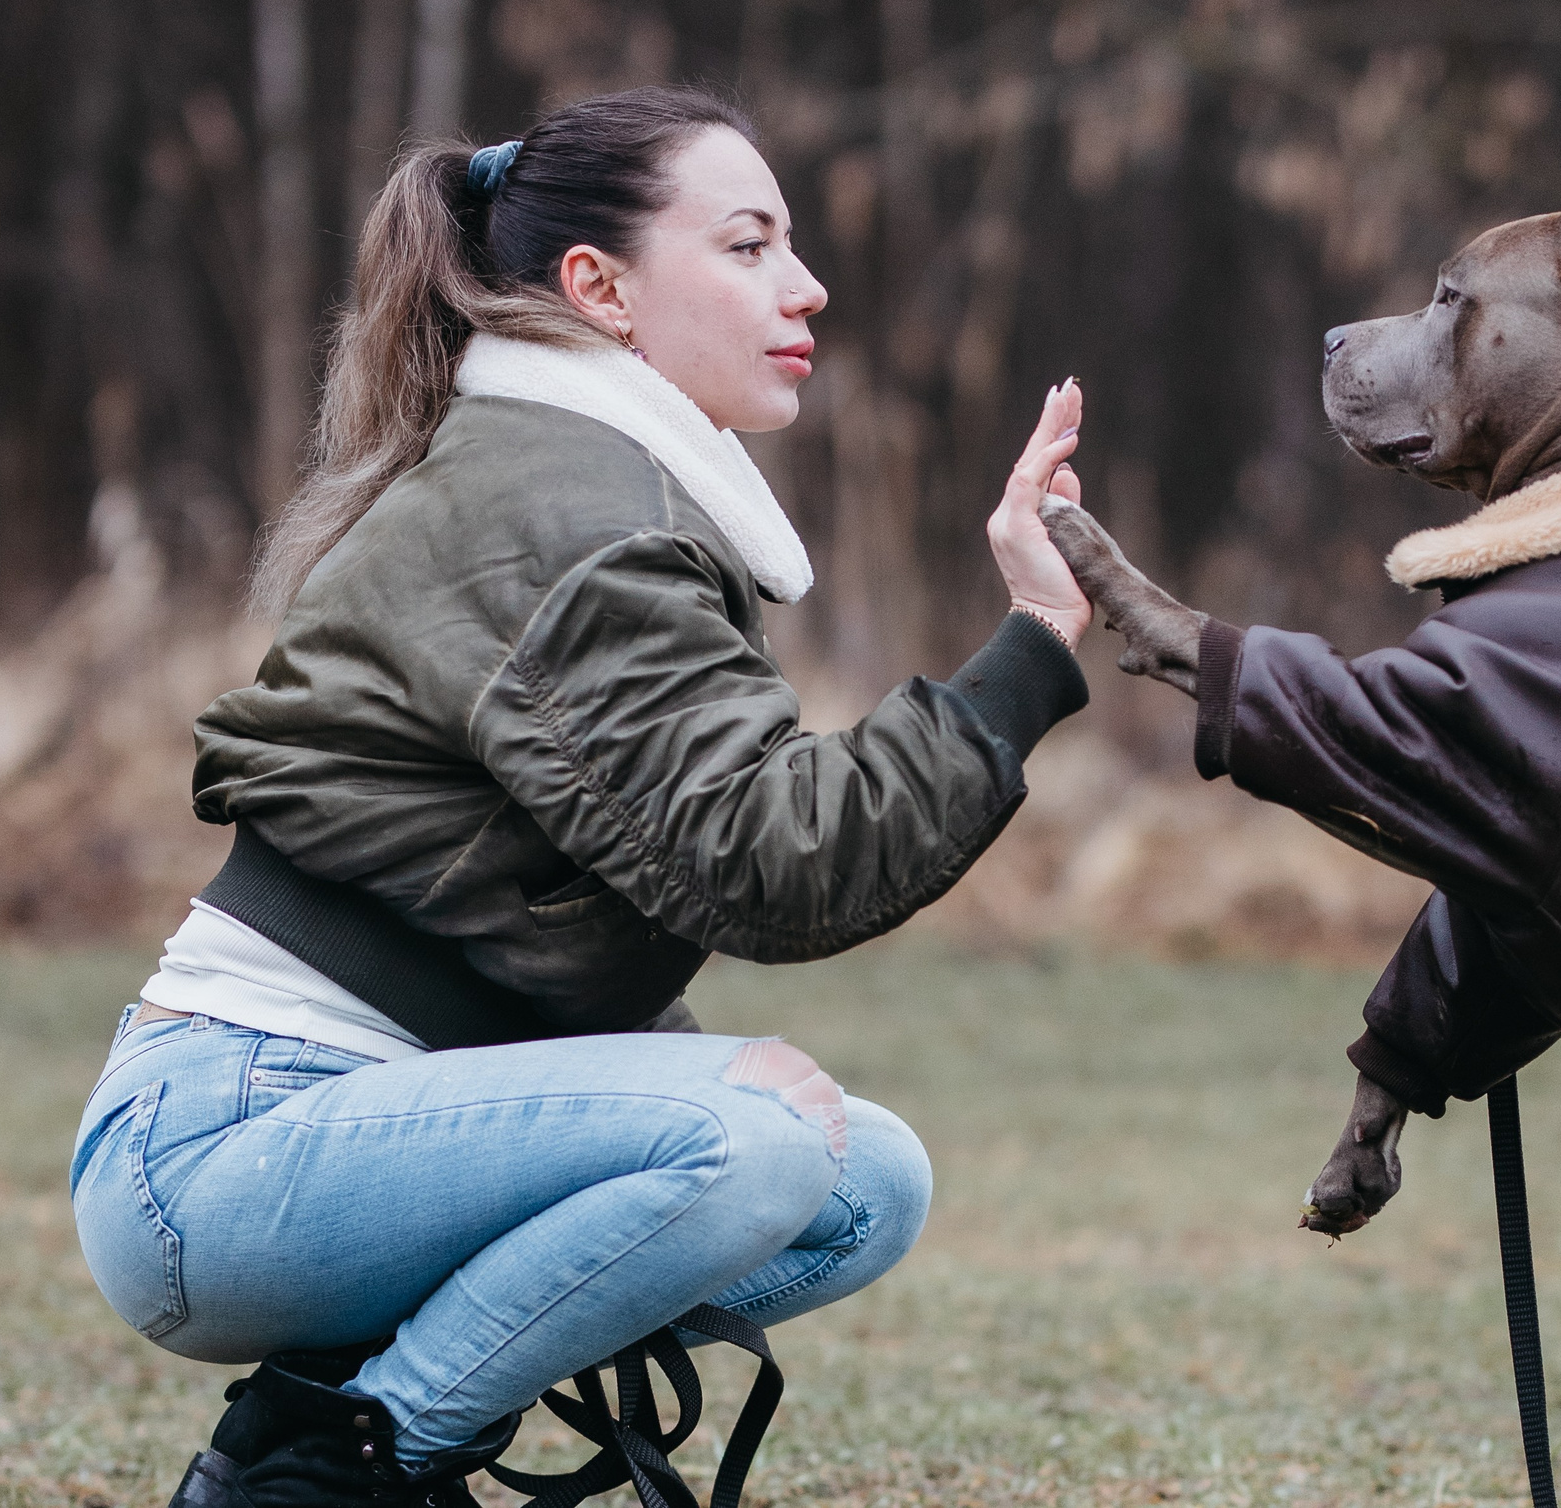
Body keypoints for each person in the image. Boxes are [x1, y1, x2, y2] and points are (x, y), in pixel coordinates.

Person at [67, 87, 1094, 1508]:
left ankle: (334, 1407)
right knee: (759, 1135)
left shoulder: (587, 483)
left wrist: (668, 1065)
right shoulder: (577, 517)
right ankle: (333, 1472)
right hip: (223, 1148)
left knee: (865, 1179)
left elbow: (573, 877)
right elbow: (772, 858)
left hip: (326, 1129)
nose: (807, 285)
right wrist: (1027, 655)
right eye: (747, 245)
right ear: (598, 288)